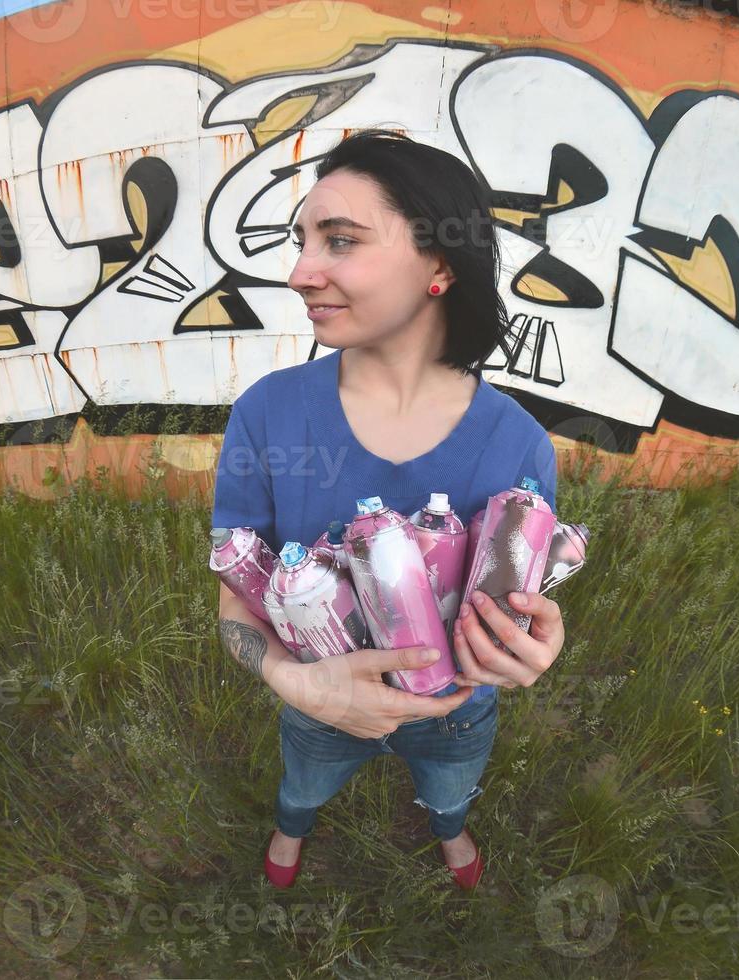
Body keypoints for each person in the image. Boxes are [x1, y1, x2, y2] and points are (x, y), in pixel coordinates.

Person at [211, 129, 567, 892]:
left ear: (440, 264)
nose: (301, 273)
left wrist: (533, 644)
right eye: (301, 241)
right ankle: (291, 825)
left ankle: (448, 828)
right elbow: (234, 601)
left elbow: (518, 606)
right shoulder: (266, 416)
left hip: (457, 714)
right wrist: (295, 683)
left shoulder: (521, 445)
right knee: (303, 784)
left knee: (448, 790)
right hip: (317, 703)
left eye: (339, 240)